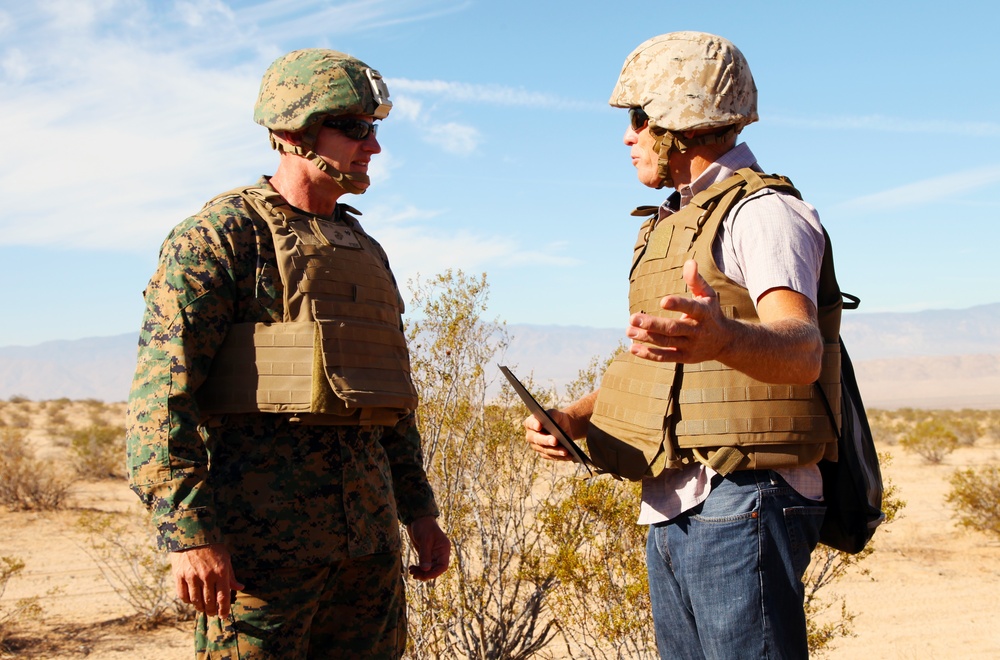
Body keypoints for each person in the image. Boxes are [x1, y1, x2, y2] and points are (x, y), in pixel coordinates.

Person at [524, 32, 845, 659]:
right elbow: (660, 365)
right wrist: (575, 420)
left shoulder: (763, 212)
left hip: (746, 496)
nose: (628, 136)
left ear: (679, 124)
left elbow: (802, 348)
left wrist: (722, 336)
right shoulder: (674, 224)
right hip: (679, 501)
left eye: (639, 119)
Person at [126, 48, 450, 659]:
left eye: (375, 129)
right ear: (292, 133)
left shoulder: (365, 248)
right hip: (261, 555)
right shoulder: (220, 237)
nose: (373, 146)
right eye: (354, 129)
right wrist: (189, 536)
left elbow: (388, 402)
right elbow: (161, 400)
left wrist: (420, 513)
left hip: (368, 551)